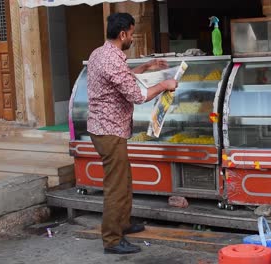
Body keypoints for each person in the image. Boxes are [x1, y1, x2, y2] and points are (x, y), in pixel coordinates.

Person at [87, 13, 178, 254]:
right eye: (132, 33)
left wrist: (147, 66)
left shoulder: (100, 53)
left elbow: (122, 79)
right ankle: (112, 240)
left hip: (107, 128)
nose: (133, 38)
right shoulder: (111, 60)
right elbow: (139, 96)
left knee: (124, 180)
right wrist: (165, 85)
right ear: (123, 34)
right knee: (116, 186)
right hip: (109, 131)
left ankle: (123, 224)